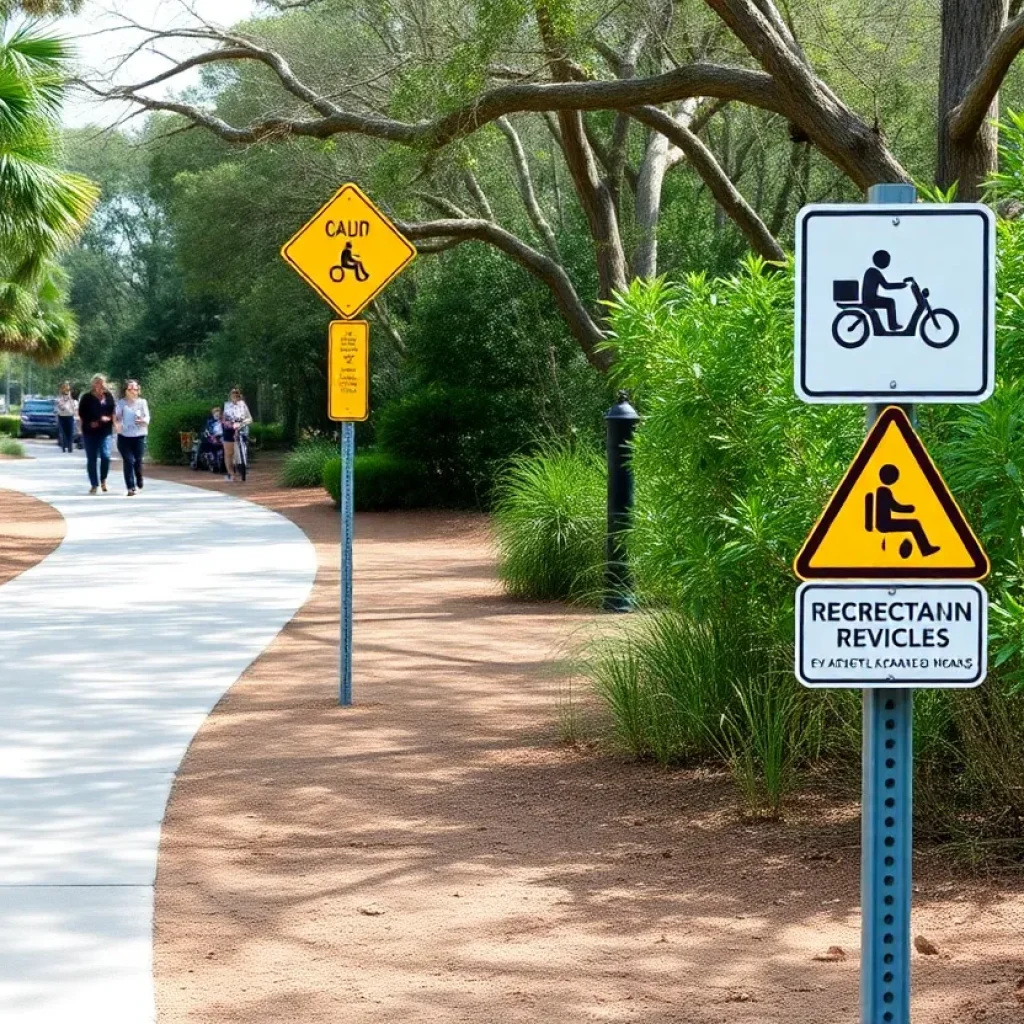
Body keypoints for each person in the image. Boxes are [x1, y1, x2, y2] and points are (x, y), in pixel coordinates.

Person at [78, 374, 116, 494]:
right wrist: (90, 423)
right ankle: (94, 484)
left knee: (105, 456)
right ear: (93, 384)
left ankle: (103, 479)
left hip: (105, 431)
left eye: (101, 382)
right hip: (90, 431)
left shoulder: (109, 396)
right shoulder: (86, 397)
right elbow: (81, 413)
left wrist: (111, 420)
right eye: (97, 382)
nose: (99, 385)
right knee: (92, 458)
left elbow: (113, 411)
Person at [115, 380, 150, 497]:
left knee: (138, 461)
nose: (133, 391)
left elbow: (147, 416)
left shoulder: (142, 402)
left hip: (139, 435)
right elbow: (116, 416)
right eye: (130, 389)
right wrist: (117, 424)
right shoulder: (120, 403)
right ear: (126, 391)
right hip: (124, 437)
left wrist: (143, 421)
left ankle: (139, 477)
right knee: (129, 461)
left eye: (135, 389)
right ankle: (130, 487)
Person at [862, 250, 908, 332]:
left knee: (889, 302)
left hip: (869, 298)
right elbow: (886, 286)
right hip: (870, 300)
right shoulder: (874, 272)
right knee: (890, 302)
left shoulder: (872, 271)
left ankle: (892, 325)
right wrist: (901, 285)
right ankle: (892, 325)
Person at [221, 387, 252, 483]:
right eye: (233, 394)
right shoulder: (226, 405)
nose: (235, 396)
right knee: (228, 453)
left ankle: (242, 467)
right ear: (230, 396)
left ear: (239, 395)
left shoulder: (243, 405)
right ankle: (231, 473)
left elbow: (249, 419)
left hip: (240, 428)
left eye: (237, 394)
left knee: (242, 449)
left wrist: (241, 424)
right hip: (229, 429)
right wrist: (227, 423)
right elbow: (223, 419)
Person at [55, 382, 77, 453]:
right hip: (61, 417)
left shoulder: (72, 398)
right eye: (64, 387)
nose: (66, 389)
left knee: (70, 432)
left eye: (67, 388)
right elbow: (60, 406)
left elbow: (74, 405)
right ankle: (64, 446)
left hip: (70, 416)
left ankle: (70, 447)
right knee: (63, 432)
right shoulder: (59, 398)